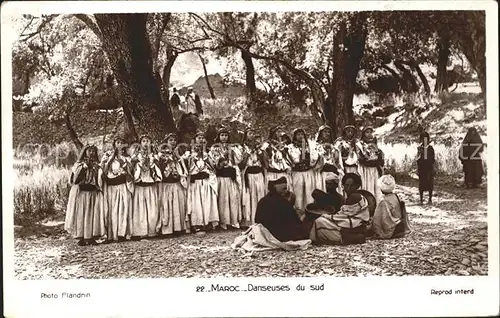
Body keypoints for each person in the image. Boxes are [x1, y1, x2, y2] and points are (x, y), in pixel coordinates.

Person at [309, 173, 370, 245]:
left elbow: (342, 216)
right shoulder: (357, 196)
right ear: (343, 186)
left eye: (351, 185)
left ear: (357, 186)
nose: (349, 188)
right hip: (355, 224)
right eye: (347, 185)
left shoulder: (354, 197)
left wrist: (326, 216)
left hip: (354, 225)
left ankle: (347, 239)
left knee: (319, 221)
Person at [64, 145, 106, 246]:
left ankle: (90, 236)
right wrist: (84, 168)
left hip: (92, 192)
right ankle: (81, 236)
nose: (91, 153)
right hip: (82, 192)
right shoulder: (79, 165)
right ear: (85, 152)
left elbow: (100, 179)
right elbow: (75, 180)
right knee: (81, 214)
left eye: (93, 151)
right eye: (89, 151)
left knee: (92, 214)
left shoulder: (96, 165)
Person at [255, 177, 310, 242]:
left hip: (264, 234)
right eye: (284, 189)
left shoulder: (262, 201)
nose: (286, 191)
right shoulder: (283, 202)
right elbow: (295, 221)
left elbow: (257, 220)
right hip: (280, 236)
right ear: (275, 188)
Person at [101, 137, 134, 243]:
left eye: (121, 143)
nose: (119, 145)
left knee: (123, 209)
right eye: (117, 143)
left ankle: (122, 233)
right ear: (114, 144)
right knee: (112, 210)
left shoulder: (126, 157)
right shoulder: (108, 156)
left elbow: (131, 170)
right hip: (111, 186)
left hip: (122, 185)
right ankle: (111, 234)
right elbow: (103, 170)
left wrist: (126, 171)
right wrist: (108, 160)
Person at [186, 131, 219, 233]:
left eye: (202, 138)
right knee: (196, 203)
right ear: (195, 140)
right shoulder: (189, 153)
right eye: (198, 138)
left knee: (206, 201)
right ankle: (197, 224)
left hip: (205, 181)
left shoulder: (207, 153)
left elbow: (212, 167)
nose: (200, 140)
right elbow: (187, 166)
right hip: (195, 182)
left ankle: (207, 222)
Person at [209, 126, 242, 230]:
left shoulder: (232, 147)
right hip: (221, 176)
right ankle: (223, 222)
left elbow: (237, 160)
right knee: (223, 199)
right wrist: (221, 162)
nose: (224, 137)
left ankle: (232, 221)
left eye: (226, 135)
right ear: (218, 136)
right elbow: (213, 162)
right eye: (222, 135)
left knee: (232, 197)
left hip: (230, 176)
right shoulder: (214, 148)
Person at [130, 135, 162, 240]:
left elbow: (158, 167)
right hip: (140, 185)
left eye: (148, 141)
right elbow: (131, 167)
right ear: (140, 143)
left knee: (152, 209)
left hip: (150, 184)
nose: (146, 143)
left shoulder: (154, 156)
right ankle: (140, 232)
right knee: (140, 209)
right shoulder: (135, 156)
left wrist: (152, 163)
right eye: (143, 141)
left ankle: (152, 231)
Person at [157, 133, 189, 236]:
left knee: (177, 204)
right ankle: (167, 229)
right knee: (167, 205)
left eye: (174, 140)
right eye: (170, 140)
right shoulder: (161, 155)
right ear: (166, 142)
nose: (173, 142)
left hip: (176, 183)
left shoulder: (178, 154)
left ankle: (178, 228)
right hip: (167, 184)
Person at [287, 128, 322, 214]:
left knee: (309, 193)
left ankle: (310, 212)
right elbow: (293, 160)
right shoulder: (290, 147)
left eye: (302, 134)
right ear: (294, 136)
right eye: (298, 134)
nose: (300, 136)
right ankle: (298, 213)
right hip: (297, 173)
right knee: (298, 194)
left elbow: (315, 158)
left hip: (308, 172)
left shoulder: (310, 146)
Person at [239, 128, 267, 228]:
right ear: (246, 135)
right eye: (250, 133)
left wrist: (259, 152)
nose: (252, 135)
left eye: (253, 133)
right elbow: (241, 164)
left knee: (260, 195)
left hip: (258, 174)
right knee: (250, 196)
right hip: (249, 174)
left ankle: (261, 219)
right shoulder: (241, 147)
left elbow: (264, 163)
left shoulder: (259, 147)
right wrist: (248, 153)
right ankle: (249, 221)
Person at [372, 174, 411, 239]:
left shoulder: (383, 201)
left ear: (381, 188)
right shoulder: (395, 196)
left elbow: (377, 219)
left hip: (391, 229)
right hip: (400, 226)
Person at [357, 127, 384, 202]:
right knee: (367, 187)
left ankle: (377, 204)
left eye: (370, 132)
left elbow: (381, 159)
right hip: (365, 170)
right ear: (363, 134)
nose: (369, 134)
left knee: (376, 187)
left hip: (375, 170)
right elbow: (360, 159)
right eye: (367, 132)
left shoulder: (375, 145)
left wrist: (378, 158)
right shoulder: (360, 145)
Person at [315, 125, 344, 194]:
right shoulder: (316, 147)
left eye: (328, 132)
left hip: (333, 172)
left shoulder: (334, 148)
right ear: (320, 133)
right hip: (321, 174)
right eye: (325, 132)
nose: (327, 134)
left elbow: (338, 162)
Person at [262, 125, 292, 190]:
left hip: (283, 173)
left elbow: (288, 157)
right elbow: (265, 160)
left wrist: (282, 149)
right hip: (272, 173)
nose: (280, 134)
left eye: (281, 132)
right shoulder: (266, 145)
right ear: (273, 133)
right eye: (278, 132)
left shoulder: (284, 145)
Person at [417, 132, 435, 205]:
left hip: (429, 168)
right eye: (423, 139)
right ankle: (421, 199)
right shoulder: (419, 148)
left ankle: (430, 199)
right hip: (422, 168)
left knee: (430, 183)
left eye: (426, 139)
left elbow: (433, 159)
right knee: (421, 184)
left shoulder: (430, 148)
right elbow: (417, 159)